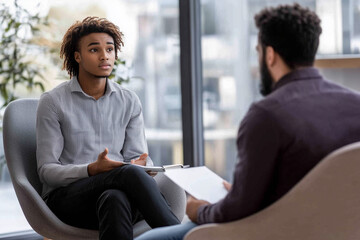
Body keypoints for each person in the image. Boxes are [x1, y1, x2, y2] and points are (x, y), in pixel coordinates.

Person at [135, 3, 360, 240]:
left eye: (259, 51)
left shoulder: (267, 115)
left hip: (273, 231)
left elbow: (237, 211)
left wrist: (199, 210)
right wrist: (242, 193)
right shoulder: (356, 104)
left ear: (270, 55)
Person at [36, 17, 180, 240]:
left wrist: (143, 166)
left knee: (115, 198)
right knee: (126, 178)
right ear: (77, 56)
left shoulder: (129, 101)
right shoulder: (54, 102)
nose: (105, 56)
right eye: (94, 49)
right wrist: (92, 169)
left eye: (110, 49)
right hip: (68, 200)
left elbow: (138, 158)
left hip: (118, 195)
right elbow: (47, 171)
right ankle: (182, 234)